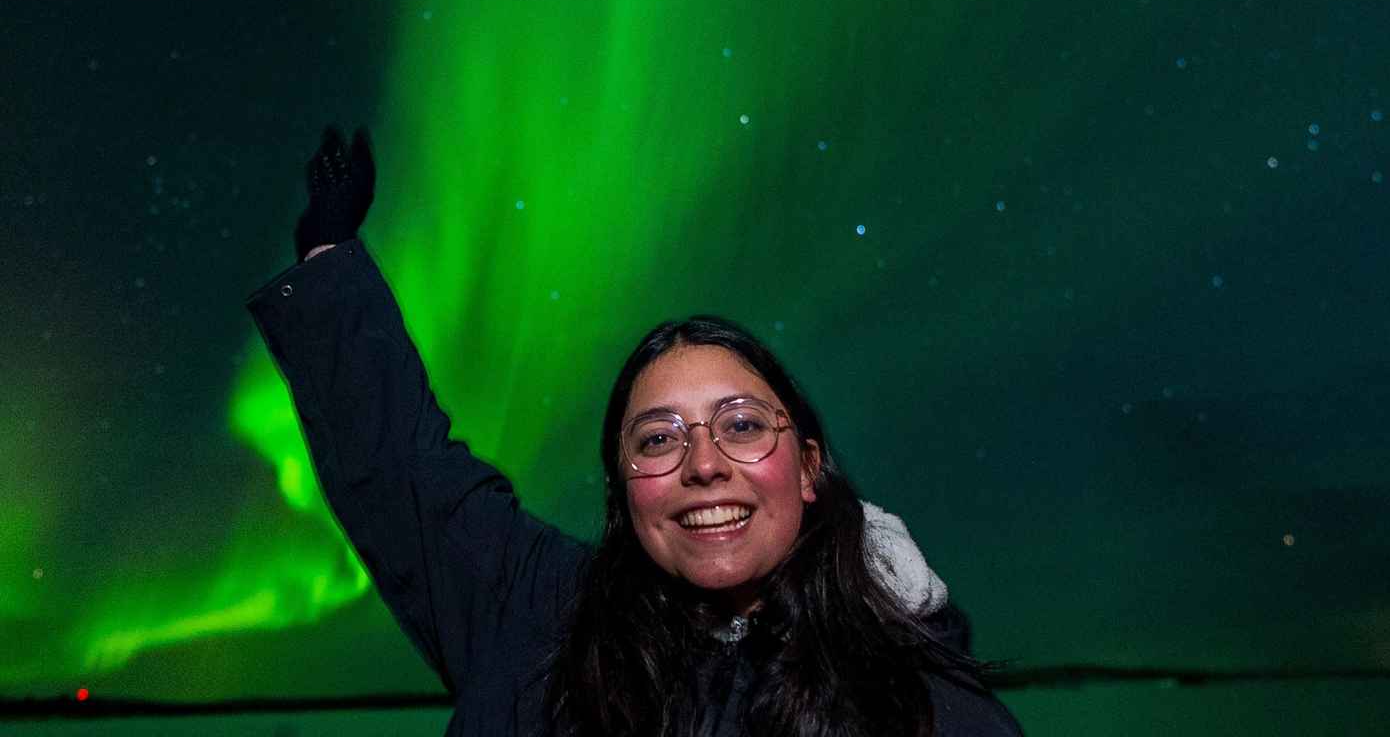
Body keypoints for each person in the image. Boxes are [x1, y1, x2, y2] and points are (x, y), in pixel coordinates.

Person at [248, 127, 1023, 737]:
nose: (704, 463)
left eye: (742, 425)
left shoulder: (913, 693)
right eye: (658, 439)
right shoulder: (540, 614)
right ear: (623, 487)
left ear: (808, 466)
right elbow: (404, 471)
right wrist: (328, 261)